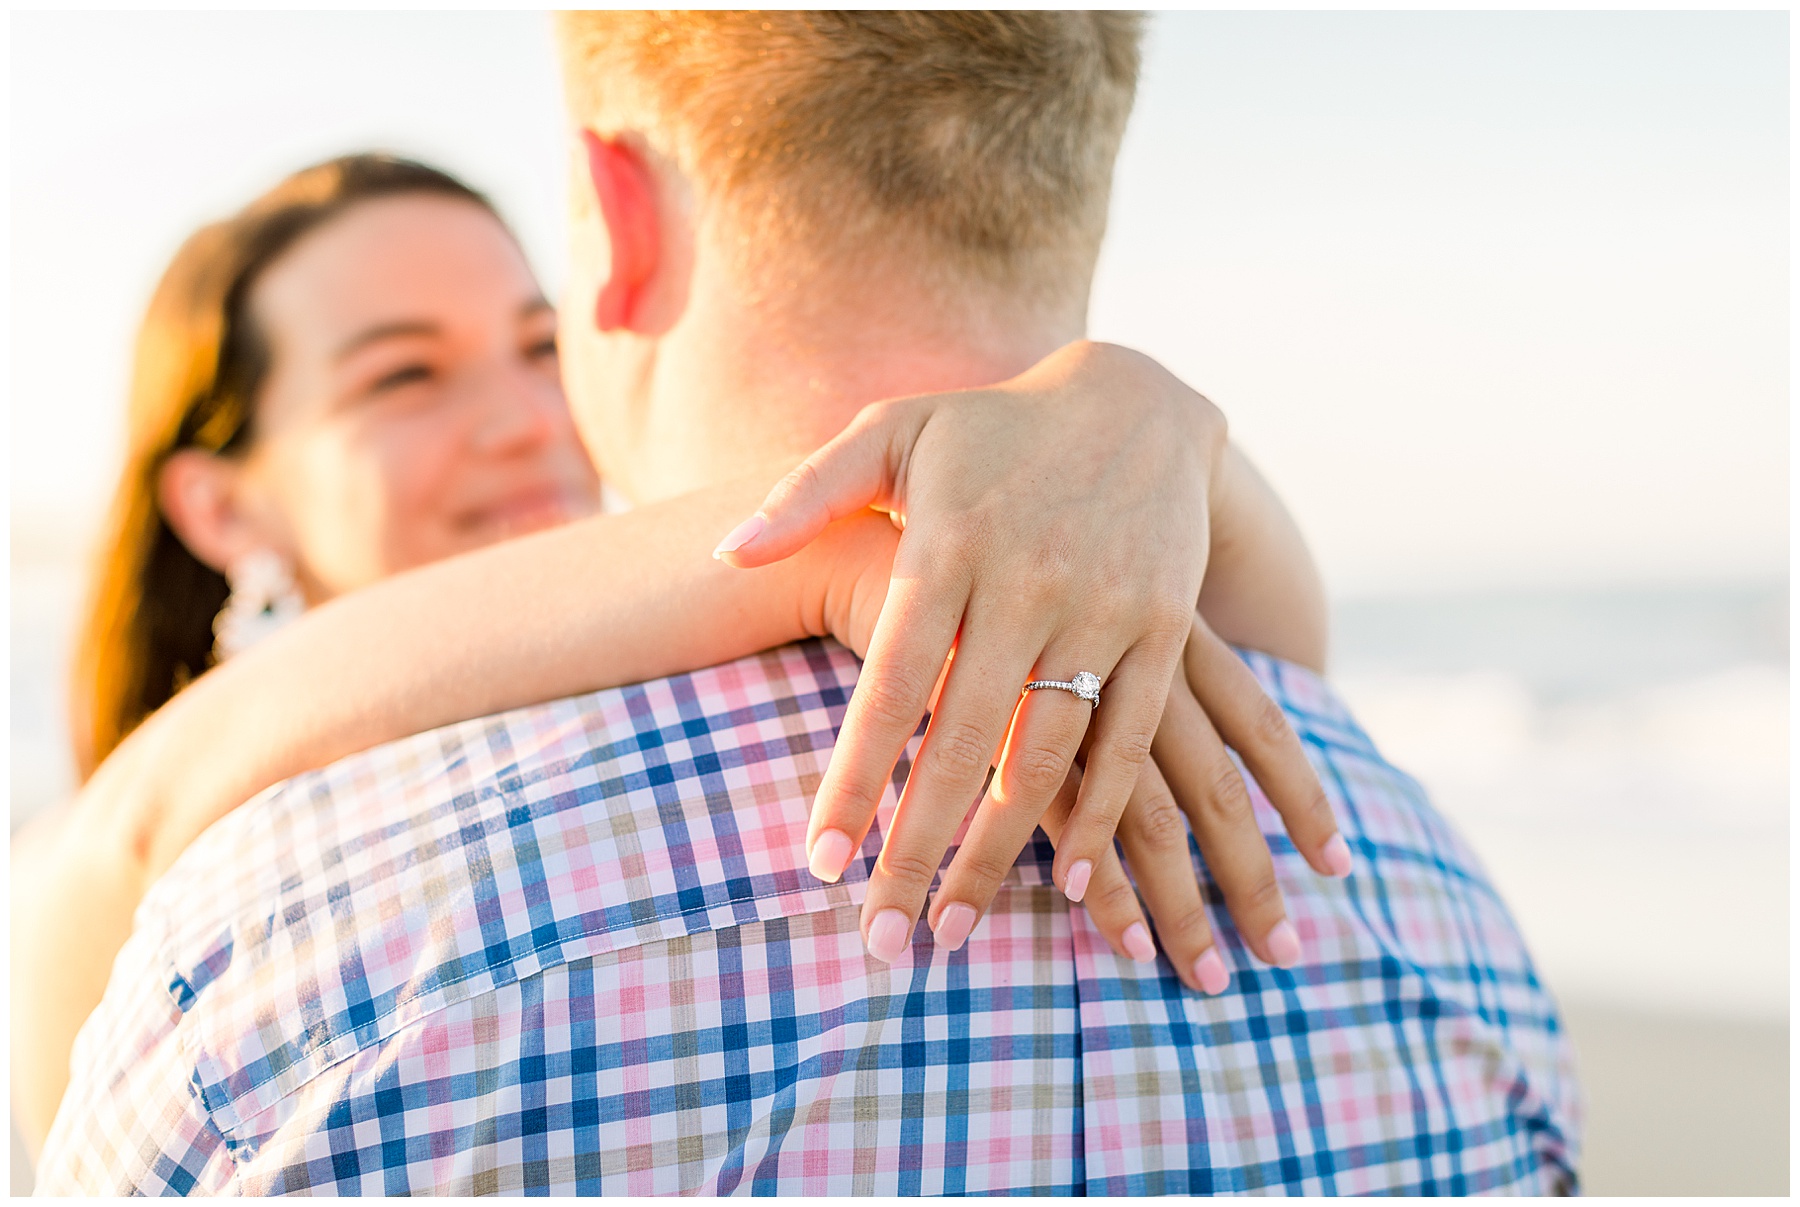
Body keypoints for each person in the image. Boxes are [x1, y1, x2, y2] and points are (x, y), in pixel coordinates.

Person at [34, 11, 1580, 1194]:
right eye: (403, 375)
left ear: (610, 229)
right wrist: (1134, 429)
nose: (525, 414)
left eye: (528, 333)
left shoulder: (282, 999)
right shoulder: (1446, 911)